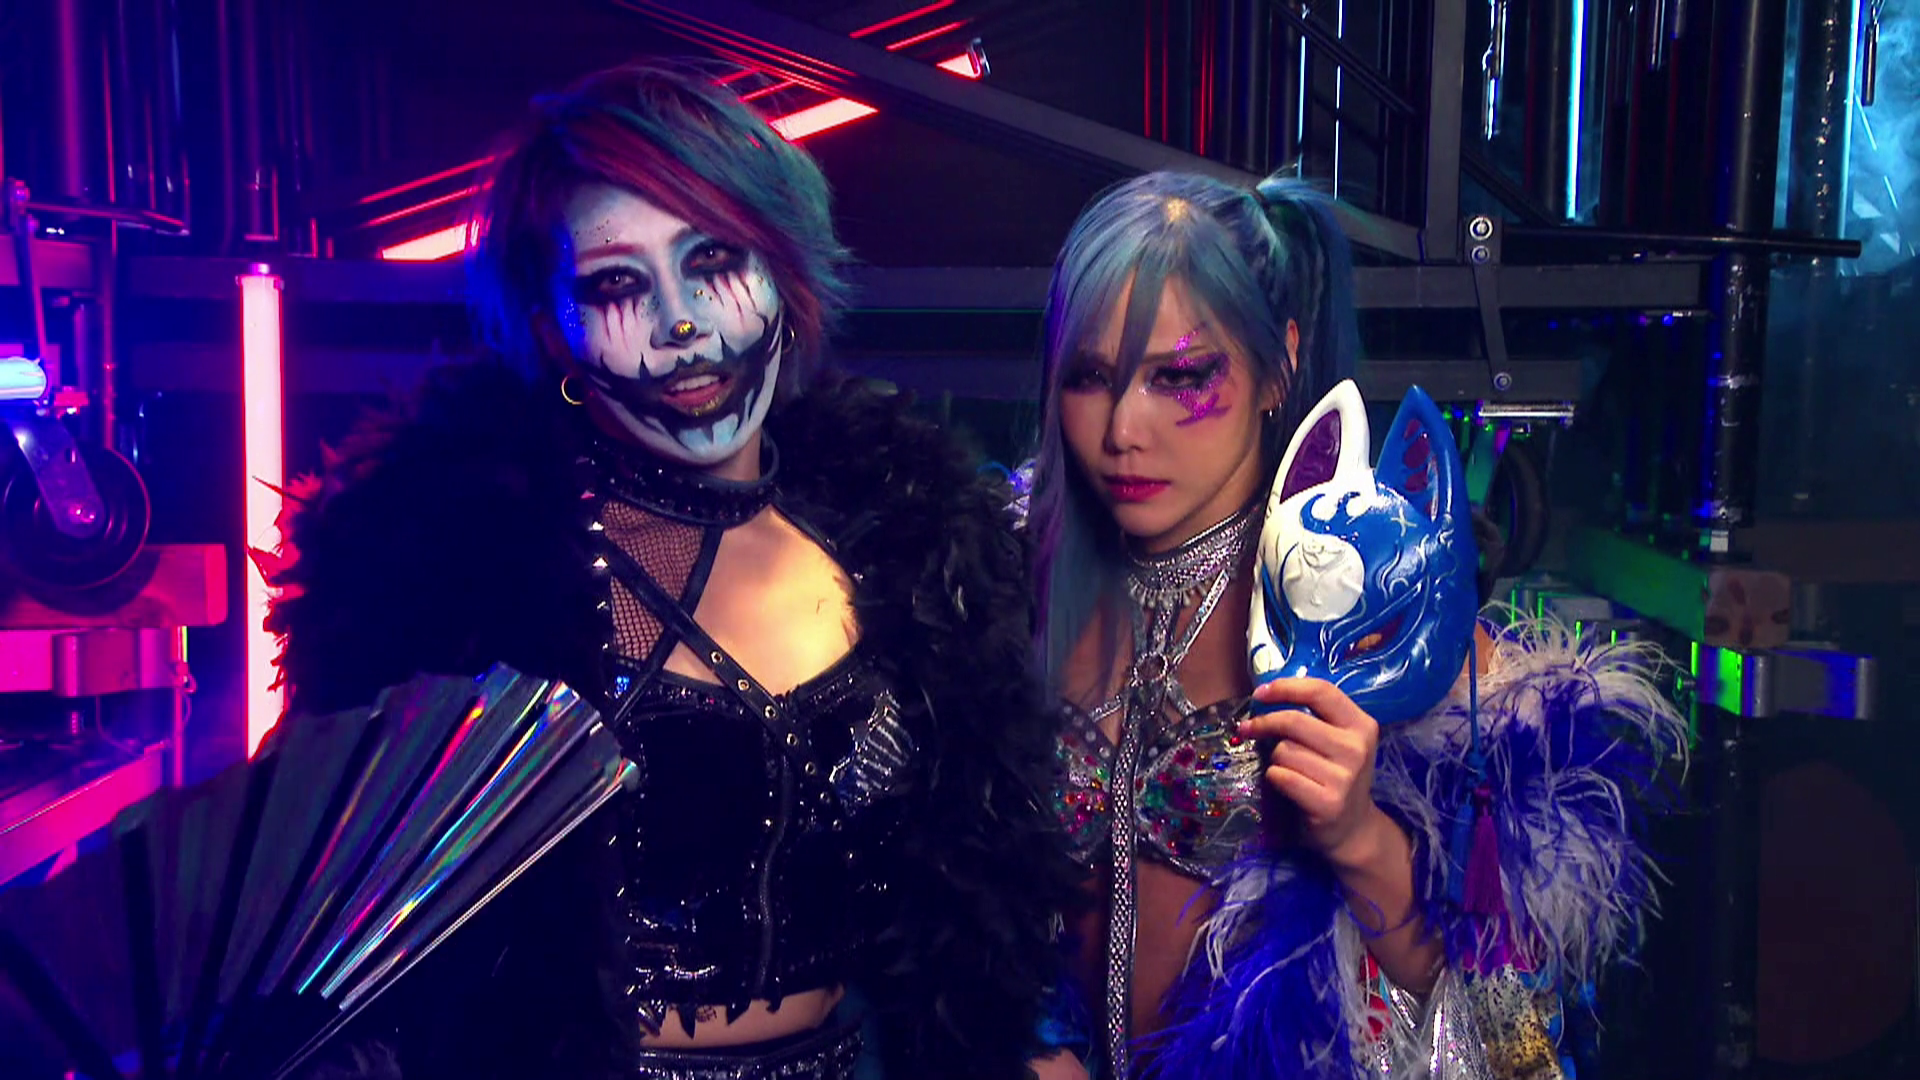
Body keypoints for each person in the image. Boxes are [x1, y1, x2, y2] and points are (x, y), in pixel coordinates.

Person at [263, 59, 1083, 1080]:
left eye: (715, 260)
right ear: (551, 326)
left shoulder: (913, 542)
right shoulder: (450, 581)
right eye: (617, 285)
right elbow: (334, 938)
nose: (681, 322)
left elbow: (968, 895)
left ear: (783, 270)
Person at [1024, 171, 1686, 1078]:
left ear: (1278, 367)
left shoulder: (1374, 594)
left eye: (1179, 376)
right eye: (1091, 377)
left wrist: (1361, 838)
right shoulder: (1008, 583)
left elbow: (1520, 1032)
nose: (1123, 430)